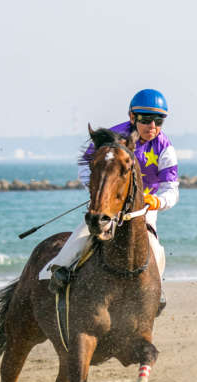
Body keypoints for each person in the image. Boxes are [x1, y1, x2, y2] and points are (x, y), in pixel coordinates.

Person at [40, 89, 179, 308]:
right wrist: (99, 192)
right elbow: (85, 165)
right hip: (108, 203)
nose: (152, 126)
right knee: (85, 232)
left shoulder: (165, 147)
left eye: (159, 120)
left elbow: (171, 188)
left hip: (142, 208)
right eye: (146, 119)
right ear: (132, 117)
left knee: (154, 245)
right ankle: (59, 268)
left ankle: (156, 289)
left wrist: (156, 202)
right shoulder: (112, 136)